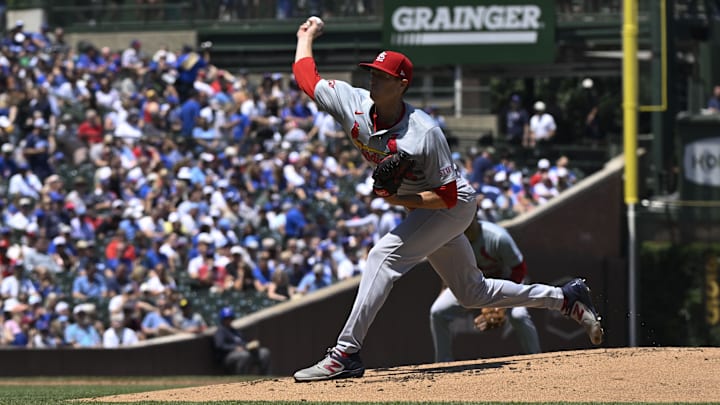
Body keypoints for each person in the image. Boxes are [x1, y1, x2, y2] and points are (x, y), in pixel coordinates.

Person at [291, 17, 603, 382]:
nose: (372, 78)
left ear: (402, 84)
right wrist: (306, 36)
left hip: (452, 207)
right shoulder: (353, 103)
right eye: (371, 72)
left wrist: (393, 199)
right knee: (474, 293)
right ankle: (566, 298)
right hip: (424, 208)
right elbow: (306, 77)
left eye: (382, 75)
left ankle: (345, 353)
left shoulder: (424, 132)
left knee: (382, 256)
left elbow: (447, 196)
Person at [430, 220, 541, 362]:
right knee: (437, 312)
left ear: (474, 214)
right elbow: (450, 269)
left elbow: (519, 270)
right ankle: (443, 364)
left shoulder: (497, 237)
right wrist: (444, 289)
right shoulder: (453, 238)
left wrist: (502, 304)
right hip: (472, 286)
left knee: (518, 315)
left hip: (505, 285)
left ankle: (536, 359)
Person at [213, 307, 271, 375]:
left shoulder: (234, 331)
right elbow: (220, 345)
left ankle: (265, 377)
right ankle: (241, 378)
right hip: (227, 356)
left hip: (243, 351)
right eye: (226, 318)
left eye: (230, 318)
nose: (229, 320)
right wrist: (234, 348)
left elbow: (242, 342)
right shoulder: (220, 331)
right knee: (245, 355)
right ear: (222, 319)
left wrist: (250, 345)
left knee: (264, 352)